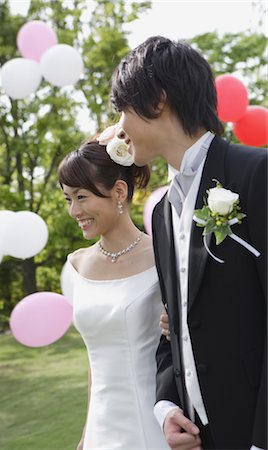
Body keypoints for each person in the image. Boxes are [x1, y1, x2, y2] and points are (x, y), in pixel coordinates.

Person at [110, 36, 267, 450]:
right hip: (199, 436)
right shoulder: (162, 212)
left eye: (122, 109)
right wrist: (167, 405)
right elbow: (175, 321)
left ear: (158, 99)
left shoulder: (256, 174)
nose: (119, 128)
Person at [58, 137, 170, 450]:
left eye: (81, 197)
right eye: (68, 199)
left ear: (119, 191)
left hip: (154, 420)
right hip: (100, 427)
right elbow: (96, 360)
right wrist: (85, 434)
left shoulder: (163, 255)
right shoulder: (78, 264)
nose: (73, 210)